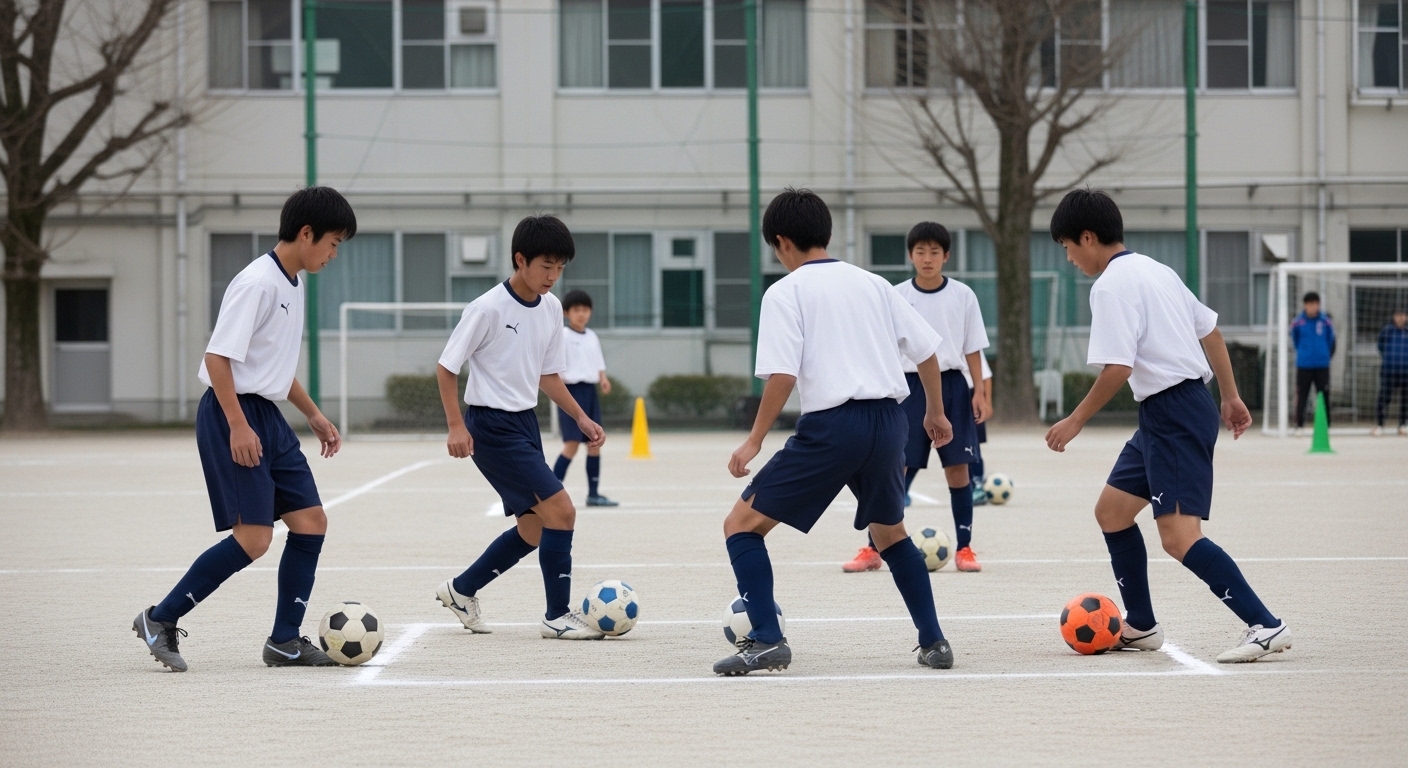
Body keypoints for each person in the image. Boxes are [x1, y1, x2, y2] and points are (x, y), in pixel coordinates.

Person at [715, 189, 956, 676]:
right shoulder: (873, 284)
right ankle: (934, 641)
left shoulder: (785, 291)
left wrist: (755, 439)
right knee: (891, 536)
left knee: (740, 526)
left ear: (781, 242)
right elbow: (927, 351)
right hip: (891, 423)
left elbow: (782, 375)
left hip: (833, 427)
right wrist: (935, 413)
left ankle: (766, 639)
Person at [1045, 189, 1290, 664]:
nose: (1070, 258)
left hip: (1174, 412)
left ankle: (1265, 624)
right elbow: (1211, 332)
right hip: (1169, 409)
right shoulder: (1158, 270)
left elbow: (1117, 366)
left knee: (1179, 537)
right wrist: (1231, 395)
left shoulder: (1111, 285)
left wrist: (1074, 421)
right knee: (1112, 512)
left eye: (1068, 247)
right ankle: (1141, 625)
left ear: (1088, 237)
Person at [132, 187, 356, 671]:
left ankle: (284, 640)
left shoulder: (292, 283)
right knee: (254, 538)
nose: (335, 254)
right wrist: (237, 425)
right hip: (232, 414)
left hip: (267, 418)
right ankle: (159, 618)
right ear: (306, 233)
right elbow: (218, 357)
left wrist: (313, 414)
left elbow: (272, 364)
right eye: (333, 243)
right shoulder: (258, 283)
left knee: (311, 521)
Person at [434, 215, 608, 641]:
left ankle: (461, 590)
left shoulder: (551, 308)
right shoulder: (487, 308)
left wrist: (581, 417)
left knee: (533, 528)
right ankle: (557, 615)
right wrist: (456, 426)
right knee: (562, 511)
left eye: (560, 267)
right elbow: (446, 366)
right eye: (546, 266)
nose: (553, 276)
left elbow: (548, 375)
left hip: (523, 422)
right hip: (490, 426)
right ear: (520, 259)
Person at [841, 222, 990, 574]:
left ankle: (965, 548)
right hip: (909, 388)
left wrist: (979, 391)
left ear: (946, 256)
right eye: (920, 252)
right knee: (896, 469)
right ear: (910, 255)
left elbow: (973, 348)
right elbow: (883, 346)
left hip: (953, 386)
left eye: (934, 252)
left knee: (958, 472)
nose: (927, 258)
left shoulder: (964, 296)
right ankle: (872, 548)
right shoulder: (895, 295)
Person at [552, 289, 618, 506]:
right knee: (571, 444)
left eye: (585, 310)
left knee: (594, 443)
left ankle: (593, 494)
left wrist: (603, 378)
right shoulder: (562, 335)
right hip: (571, 393)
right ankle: (549, 494)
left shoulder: (592, 336)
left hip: (590, 392)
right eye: (577, 310)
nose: (582, 314)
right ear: (566, 313)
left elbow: (597, 362)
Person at [1291, 291, 1336, 435]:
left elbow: (1331, 340)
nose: (1312, 307)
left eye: (1315, 304)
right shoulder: (1298, 322)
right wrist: (1304, 354)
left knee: (1324, 394)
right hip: (1304, 365)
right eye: (1310, 304)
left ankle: (1326, 426)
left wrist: (1324, 355)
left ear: (1319, 305)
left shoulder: (1326, 321)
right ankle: (1299, 426)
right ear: (1305, 305)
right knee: (1302, 395)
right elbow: (1295, 341)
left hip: (1322, 365)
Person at [1375, 308, 1408, 436]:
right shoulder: (1387, 331)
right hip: (1389, 371)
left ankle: (1402, 425)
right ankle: (1380, 425)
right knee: (1384, 398)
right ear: (1394, 317)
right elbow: (1380, 346)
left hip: (1405, 371)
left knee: (1405, 400)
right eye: (1398, 315)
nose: (1400, 318)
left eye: (1403, 315)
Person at [970, 355, 994, 507]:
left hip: (969, 396)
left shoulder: (971, 346)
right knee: (918, 445)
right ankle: (903, 488)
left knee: (973, 444)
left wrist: (987, 403)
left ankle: (977, 484)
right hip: (939, 392)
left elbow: (986, 376)